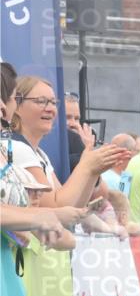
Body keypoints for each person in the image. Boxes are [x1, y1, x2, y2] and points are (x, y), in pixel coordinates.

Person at [9, 76, 126, 209]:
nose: (50, 109)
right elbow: (55, 208)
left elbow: (72, 207)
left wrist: (94, 171)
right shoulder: (17, 148)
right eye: (41, 101)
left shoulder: (40, 154)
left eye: (53, 103)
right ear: (16, 105)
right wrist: (86, 165)